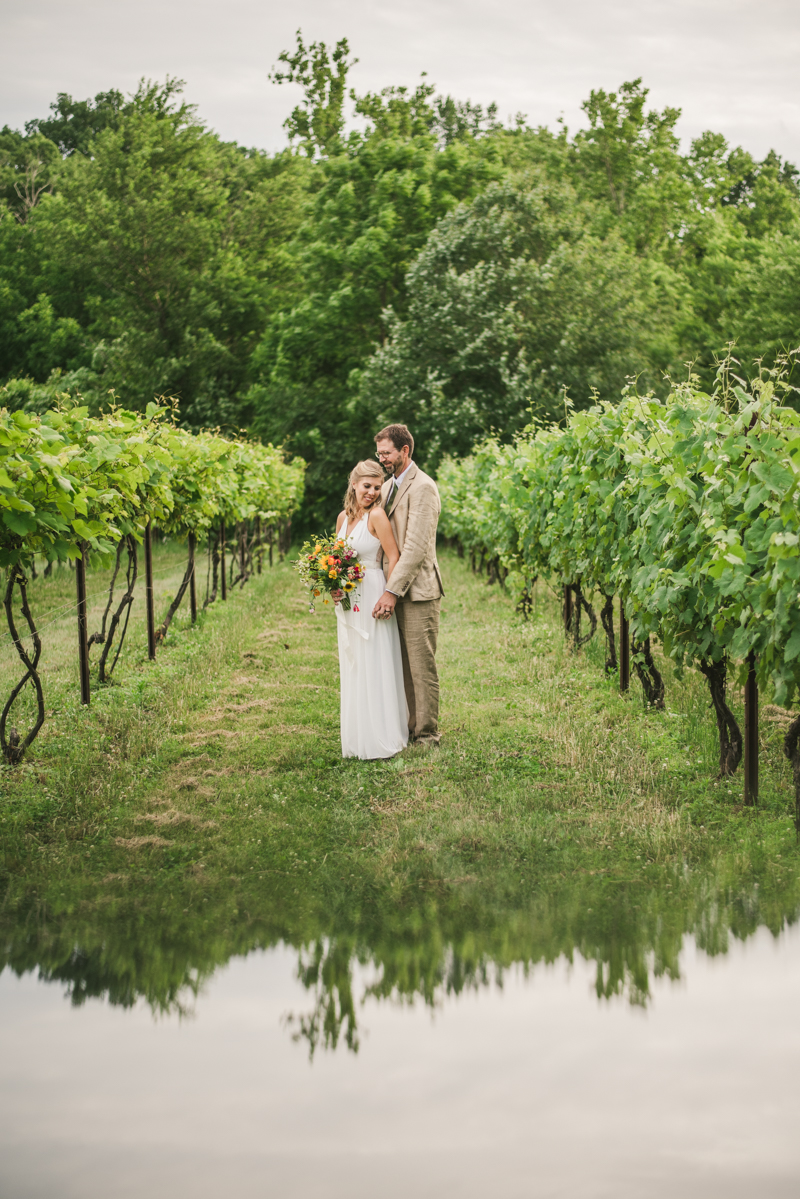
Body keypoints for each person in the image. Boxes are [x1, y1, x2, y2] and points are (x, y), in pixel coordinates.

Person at [372, 424, 444, 745]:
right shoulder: (386, 487)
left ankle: (427, 733)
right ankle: (409, 727)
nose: (381, 458)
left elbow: (416, 548)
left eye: (386, 453)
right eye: (379, 453)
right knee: (401, 665)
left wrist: (391, 590)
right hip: (392, 588)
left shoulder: (423, 487)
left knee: (420, 665)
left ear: (405, 451)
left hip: (417, 591)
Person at [334, 460, 408, 760]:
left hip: (373, 590)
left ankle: (382, 735)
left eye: (378, 487)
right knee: (354, 663)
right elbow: (335, 559)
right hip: (350, 598)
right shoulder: (342, 518)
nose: (372, 492)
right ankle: (357, 736)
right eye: (367, 486)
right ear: (354, 484)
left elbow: (394, 555)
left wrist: (390, 597)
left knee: (375, 661)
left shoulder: (377, 516)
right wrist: (334, 585)